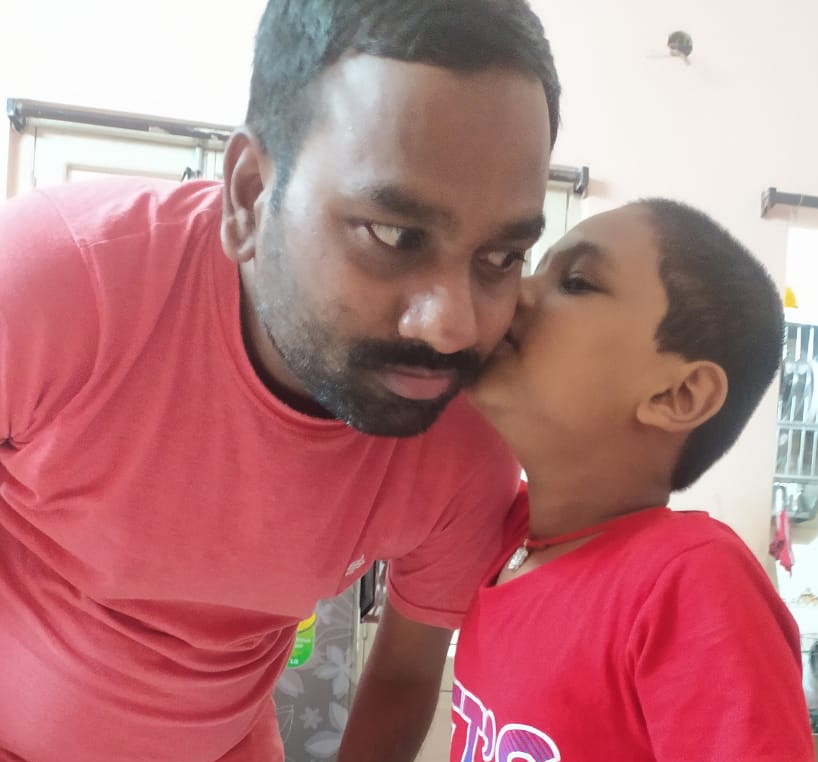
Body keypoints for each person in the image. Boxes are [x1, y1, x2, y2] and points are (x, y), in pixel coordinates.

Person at [0, 1, 560, 761]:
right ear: (249, 196)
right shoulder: (55, 284)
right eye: (394, 235)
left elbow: (405, 675)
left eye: (500, 257)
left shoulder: (461, 431)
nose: (451, 327)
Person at [450, 199, 817, 761]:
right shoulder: (504, 534)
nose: (516, 291)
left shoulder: (691, 579)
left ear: (678, 395)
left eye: (575, 282)